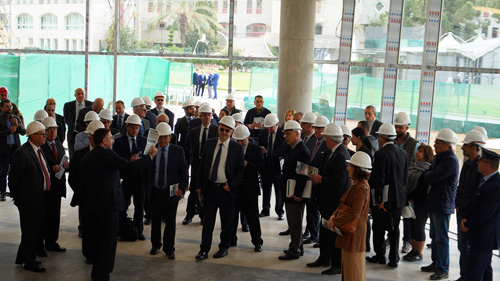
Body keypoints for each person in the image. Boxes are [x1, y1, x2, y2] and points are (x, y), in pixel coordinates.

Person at [80, 128, 156, 281]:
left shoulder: (87, 157)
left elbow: (113, 168)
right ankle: (102, 274)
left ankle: (97, 272)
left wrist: (130, 160)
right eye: (110, 138)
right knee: (108, 241)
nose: (113, 141)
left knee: (97, 239)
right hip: (109, 206)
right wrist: (150, 157)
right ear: (104, 141)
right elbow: (129, 168)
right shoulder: (107, 154)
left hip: (92, 206)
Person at [195, 116, 245, 260]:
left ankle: (224, 247)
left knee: (226, 222)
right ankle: (204, 249)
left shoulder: (237, 148)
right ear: (218, 128)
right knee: (208, 221)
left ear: (232, 132)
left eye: (227, 131)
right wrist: (199, 186)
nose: (224, 133)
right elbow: (202, 166)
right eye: (222, 129)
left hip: (226, 191)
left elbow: (240, 171)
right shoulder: (210, 144)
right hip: (210, 188)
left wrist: (231, 185)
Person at [308, 122, 350, 274]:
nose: (324, 140)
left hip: (334, 202)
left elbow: (339, 182)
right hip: (327, 201)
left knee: (333, 234)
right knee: (325, 232)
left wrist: (321, 179)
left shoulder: (340, 155)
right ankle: (324, 258)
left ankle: (336, 264)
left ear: (331, 139)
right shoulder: (333, 152)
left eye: (326, 137)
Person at [9, 121, 50, 273]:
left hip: (39, 197)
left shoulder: (38, 149)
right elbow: (13, 179)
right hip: (28, 200)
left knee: (32, 230)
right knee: (29, 231)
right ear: (33, 136)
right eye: (43, 134)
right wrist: (18, 198)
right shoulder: (22, 153)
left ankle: (22, 257)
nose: (45, 136)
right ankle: (29, 262)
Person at [366, 123, 408, 268]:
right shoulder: (403, 153)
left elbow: (380, 179)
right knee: (394, 229)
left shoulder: (380, 154)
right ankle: (394, 258)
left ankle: (380, 255)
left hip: (384, 199)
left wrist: (379, 199)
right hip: (399, 198)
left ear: (382, 137)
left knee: (378, 228)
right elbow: (404, 178)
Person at [420, 128, 459, 280]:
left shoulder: (450, 160)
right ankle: (436, 264)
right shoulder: (439, 158)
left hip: (443, 204)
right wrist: (429, 175)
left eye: (438, 143)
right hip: (435, 201)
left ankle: (443, 269)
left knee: (441, 238)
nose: (434, 145)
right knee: (434, 236)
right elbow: (428, 174)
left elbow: (432, 176)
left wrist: (429, 176)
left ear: (447, 145)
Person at [146, 123, 188, 259]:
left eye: (165, 137)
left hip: (172, 193)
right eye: (160, 138)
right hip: (155, 192)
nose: (163, 141)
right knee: (156, 220)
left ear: (170, 137)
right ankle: (155, 245)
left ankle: (169, 248)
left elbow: (184, 172)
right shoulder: (151, 150)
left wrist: (182, 188)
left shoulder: (178, 151)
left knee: (170, 222)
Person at [328, 151, 372, 281]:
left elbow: (355, 212)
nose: (348, 168)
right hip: (351, 234)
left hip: (355, 234)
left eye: (351, 166)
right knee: (348, 267)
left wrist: (335, 221)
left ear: (358, 169)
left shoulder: (361, 187)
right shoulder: (358, 185)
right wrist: (333, 217)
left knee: (353, 269)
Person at [460, 148, 500, 281]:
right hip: (481, 234)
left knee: (475, 272)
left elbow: (485, 212)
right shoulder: (487, 181)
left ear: (487, 165)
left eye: (480, 161)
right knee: (485, 269)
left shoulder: (495, 185)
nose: (478, 163)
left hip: (484, 235)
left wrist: (468, 223)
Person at [455, 130, 485, 280]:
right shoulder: (467, 164)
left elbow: (477, 193)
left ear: (474, 147)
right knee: (462, 246)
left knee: (468, 247)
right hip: (462, 209)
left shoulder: (481, 167)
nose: (462, 148)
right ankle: (464, 275)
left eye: (465, 145)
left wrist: (468, 210)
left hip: (470, 213)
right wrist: (458, 203)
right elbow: (462, 186)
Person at [278, 120, 310, 260]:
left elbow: (302, 175)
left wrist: (297, 194)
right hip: (290, 191)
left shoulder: (302, 150)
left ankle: (294, 250)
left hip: (294, 194)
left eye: (288, 133)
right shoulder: (294, 148)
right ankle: (298, 247)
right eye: (285, 134)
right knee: (293, 222)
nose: (286, 136)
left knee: (295, 223)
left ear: (297, 133)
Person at [112, 114, 147, 241]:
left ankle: (139, 231)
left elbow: (147, 161)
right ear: (126, 127)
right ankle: (121, 230)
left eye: (137, 128)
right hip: (126, 179)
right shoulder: (118, 142)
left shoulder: (144, 141)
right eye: (132, 128)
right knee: (122, 206)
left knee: (139, 207)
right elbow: (117, 159)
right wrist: (129, 160)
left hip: (139, 180)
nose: (135, 130)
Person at [183, 103, 218, 225]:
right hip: (197, 164)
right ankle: (189, 214)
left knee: (206, 190)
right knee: (193, 189)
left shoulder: (216, 130)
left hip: (210, 165)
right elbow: (189, 145)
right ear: (200, 116)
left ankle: (203, 215)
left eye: (209, 115)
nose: (207, 118)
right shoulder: (194, 131)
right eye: (204, 115)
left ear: (211, 116)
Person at [231, 125, 264, 252]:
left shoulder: (256, 149)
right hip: (236, 187)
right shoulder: (233, 148)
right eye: (237, 140)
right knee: (233, 216)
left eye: (242, 140)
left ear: (248, 138)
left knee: (252, 217)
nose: (239, 143)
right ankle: (231, 239)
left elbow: (261, 166)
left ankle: (257, 241)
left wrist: (248, 164)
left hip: (250, 188)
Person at [38, 117, 69, 254]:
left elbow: (62, 161)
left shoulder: (58, 144)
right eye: (49, 129)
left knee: (55, 216)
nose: (53, 131)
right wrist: (52, 169)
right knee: (44, 217)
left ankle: (51, 241)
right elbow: (40, 166)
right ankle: (40, 244)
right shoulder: (41, 146)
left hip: (58, 186)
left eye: (55, 129)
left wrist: (65, 166)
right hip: (46, 188)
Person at [394, 111, 420, 253]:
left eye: (400, 128)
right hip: (393, 184)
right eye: (396, 127)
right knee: (393, 214)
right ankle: (391, 237)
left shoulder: (413, 145)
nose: (398, 130)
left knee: (407, 216)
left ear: (407, 128)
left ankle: (407, 241)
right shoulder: (391, 141)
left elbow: (416, 165)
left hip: (407, 186)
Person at [402, 144, 433, 262]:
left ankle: (418, 253)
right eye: (417, 151)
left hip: (421, 204)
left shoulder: (428, 170)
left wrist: (411, 197)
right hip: (411, 202)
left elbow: (423, 190)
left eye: (420, 151)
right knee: (412, 227)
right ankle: (413, 250)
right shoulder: (414, 167)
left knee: (419, 227)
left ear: (426, 155)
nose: (417, 153)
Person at [303, 116, 329, 246]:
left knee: (320, 211)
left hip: (321, 183)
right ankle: (313, 234)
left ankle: (319, 236)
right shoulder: (312, 141)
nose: (317, 130)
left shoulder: (328, 145)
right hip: (310, 181)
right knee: (311, 209)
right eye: (316, 128)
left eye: (320, 128)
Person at [258, 114, 285, 220]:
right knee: (266, 188)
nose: (269, 129)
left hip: (278, 165)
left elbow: (285, 149)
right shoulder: (263, 132)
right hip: (266, 165)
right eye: (267, 127)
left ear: (277, 124)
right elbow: (260, 145)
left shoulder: (283, 133)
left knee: (279, 190)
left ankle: (280, 211)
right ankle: (265, 209)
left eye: (271, 127)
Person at [0, 99, 25, 201]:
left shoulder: (16, 118)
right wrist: (8, 131)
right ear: (1, 108)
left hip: (15, 149)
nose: (9, 108)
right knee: (2, 172)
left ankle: (14, 192)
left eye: (10, 106)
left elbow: (23, 132)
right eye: (7, 106)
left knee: (15, 172)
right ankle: (2, 192)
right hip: (3, 150)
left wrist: (17, 124)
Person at [63, 88, 92, 158]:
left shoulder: (90, 104)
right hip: (72, 134)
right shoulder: (68, 105)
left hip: (85, 134)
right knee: (72, 155)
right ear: (75, 95)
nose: (80, 95)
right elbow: (66, 119)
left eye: (82, 94)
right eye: (78, 94)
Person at [174, 99, 195, 165]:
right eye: (191, 108)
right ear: (185, 110)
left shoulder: (196, 121)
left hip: (193, 149)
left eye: (193, 108)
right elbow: (176, 136)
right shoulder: (180, 121)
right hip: (183, 149)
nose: (193, 110)